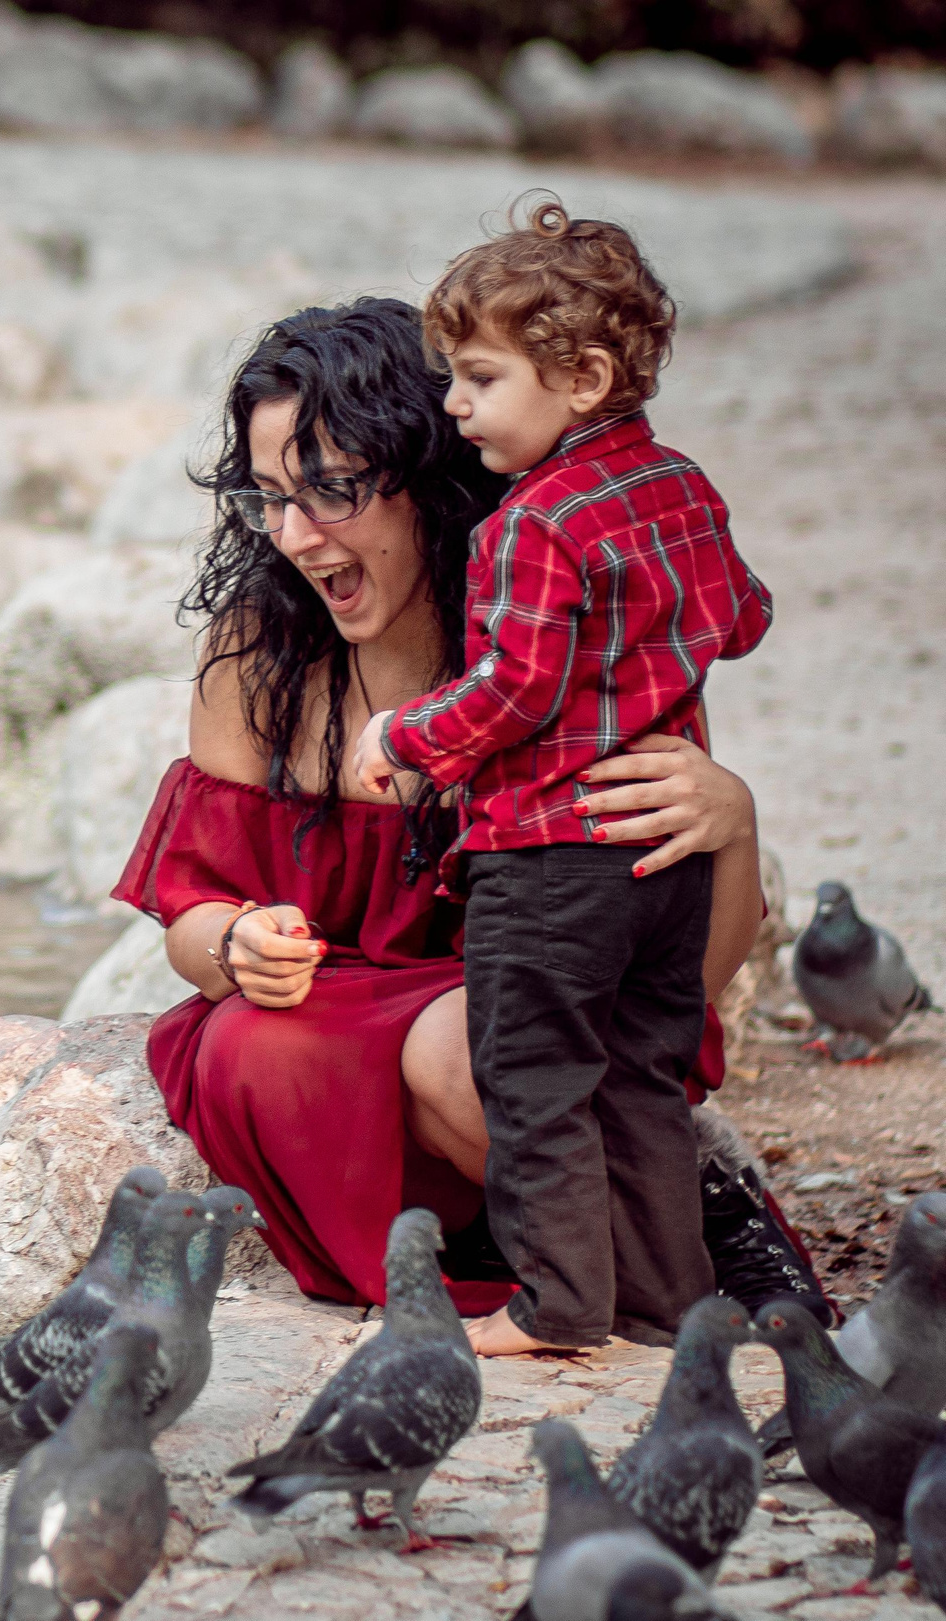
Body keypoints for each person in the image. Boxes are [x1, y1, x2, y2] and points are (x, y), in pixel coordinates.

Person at [109, 293, 823, 1336]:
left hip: (534, 1037)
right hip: (342, 1029)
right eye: (269, 498)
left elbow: (683, 986)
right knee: (249, 1046)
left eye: (333, 489)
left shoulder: (568, 639)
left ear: (430, 475)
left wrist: (735, 823)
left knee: (469, 1047)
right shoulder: (253, 652)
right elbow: (192, 916)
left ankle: (690, 1226)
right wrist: (234, 942)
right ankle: (579, 1232)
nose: (296, 535)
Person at [345, 198, 771, 1354]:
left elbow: (514, 691)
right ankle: (666, 1303)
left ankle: (557, 1303)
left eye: (479, 379)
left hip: (549, 856)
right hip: (661, 859)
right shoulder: (680, 484)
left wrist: (404, 738)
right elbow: (742, 619)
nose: (453, 404)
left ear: (580, 379)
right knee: (638, 1077)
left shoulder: (529, 523)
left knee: (532, 1078)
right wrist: (648, 652)